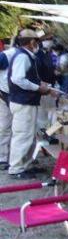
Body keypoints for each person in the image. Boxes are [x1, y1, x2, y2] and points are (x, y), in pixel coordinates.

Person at [8, 29, 59, 177]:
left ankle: (26, 164)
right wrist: (38, 87)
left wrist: (43, 85)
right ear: (31, 42)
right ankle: (16, 168)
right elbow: (18, 79)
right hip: (23, 102)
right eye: (36, 41)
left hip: (27, 101)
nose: (38, 44)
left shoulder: (25, 56)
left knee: (29, 134)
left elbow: (28, 78)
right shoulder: (23, 57)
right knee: (22, 135)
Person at [0, 39, 18, 169]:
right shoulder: (9, 54)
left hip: (10, 93)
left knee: (8, 127)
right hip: (6, 94)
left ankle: (6, 157)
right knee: (6, 127)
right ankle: (3, 158)